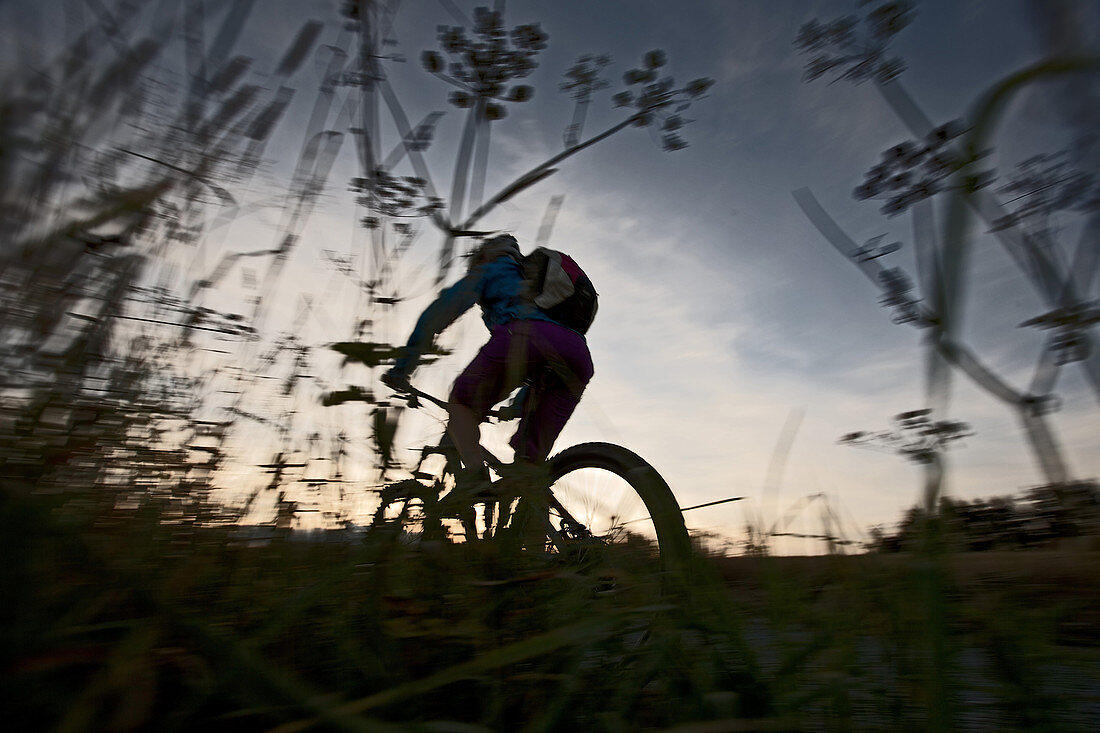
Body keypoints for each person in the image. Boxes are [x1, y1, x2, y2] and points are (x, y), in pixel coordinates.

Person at [382, 234, 594, 493]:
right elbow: (543, 364)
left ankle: (476, 480)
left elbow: (436, 314)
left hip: (525, 337)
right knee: (528, 471)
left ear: (485, 255)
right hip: (578, 354)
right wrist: (515, 406)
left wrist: (403, 368)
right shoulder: (537, 287)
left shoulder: (493, 269)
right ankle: (534, 524)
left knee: (461, 405)